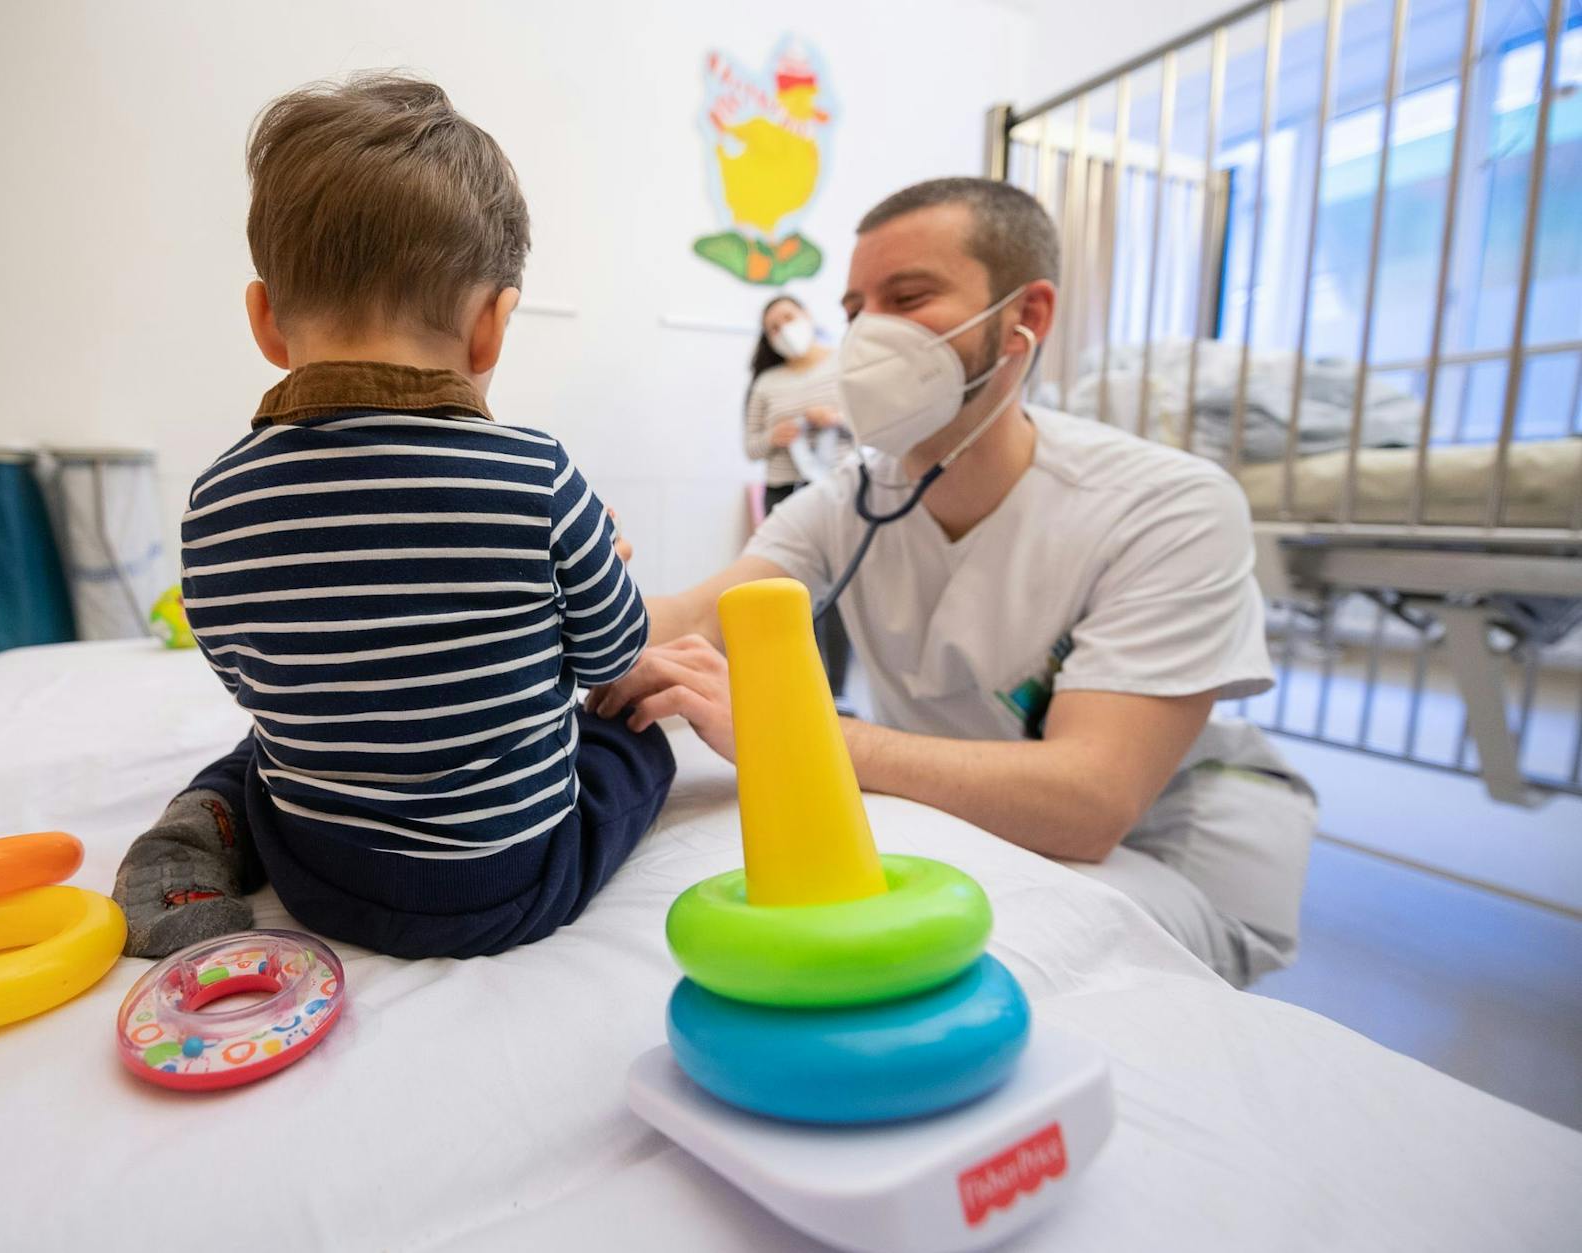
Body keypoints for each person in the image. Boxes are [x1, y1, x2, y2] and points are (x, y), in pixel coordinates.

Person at [593, 178, 1315, 988]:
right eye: (858, 306)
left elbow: (1090, 801)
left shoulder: (1168, 506)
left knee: (954, 956)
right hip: (965, 815)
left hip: (1164, 847)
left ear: (1025, 318)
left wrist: (787, 730)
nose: (869, 333)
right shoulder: (849, 499)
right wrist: (559, 578)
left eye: (909, 297)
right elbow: (692, 617)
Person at [113, 74, 674, 961]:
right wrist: (595, 558)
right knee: (636, 743)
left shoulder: (216, 499)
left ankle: (209, 819)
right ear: (493, 327)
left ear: (265, 319)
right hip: (513, 882)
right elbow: (613, 655)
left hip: (319, 875)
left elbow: (250, 679)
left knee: (270, 745)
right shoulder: (538, 472)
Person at [741, 294, 851, 694]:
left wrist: (837, 420)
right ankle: (802, 684)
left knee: (838, 592)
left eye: (788, 317)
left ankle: (835, 691)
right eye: (773, 326)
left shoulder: (844, 364)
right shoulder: (767, 383)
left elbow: (872, 426)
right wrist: (773, 437)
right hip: (783, 493)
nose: (783, 328)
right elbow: (751, 446)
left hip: (836, 492)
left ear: (807, 314)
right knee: (791, 592)